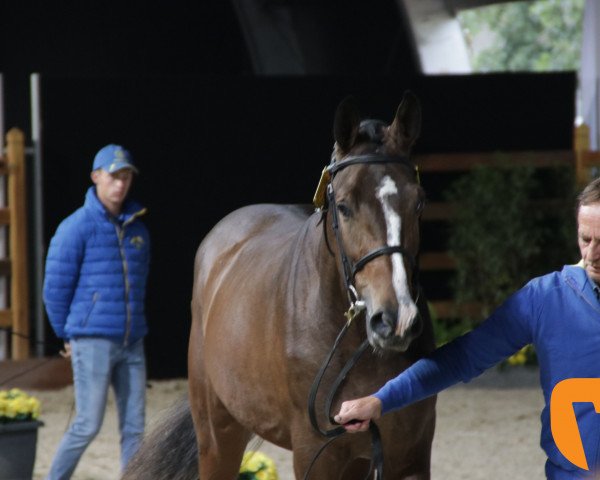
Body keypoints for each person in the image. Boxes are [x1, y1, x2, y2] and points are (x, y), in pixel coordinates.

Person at [335, 176, 600, 479]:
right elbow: (463, 357)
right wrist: (381, 400)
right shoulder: (545, 299)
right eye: (585, 239)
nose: (591, 254)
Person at [43, 144, 150, 480]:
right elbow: (55, 288)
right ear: (96, 177)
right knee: (87, 424)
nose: (121, 183)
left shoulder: (138, 230)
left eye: (126, 176)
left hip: (132, 341)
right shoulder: (75, 227)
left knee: (135, 428)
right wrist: (67, 333)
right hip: (92, 341)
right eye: (114, 176)